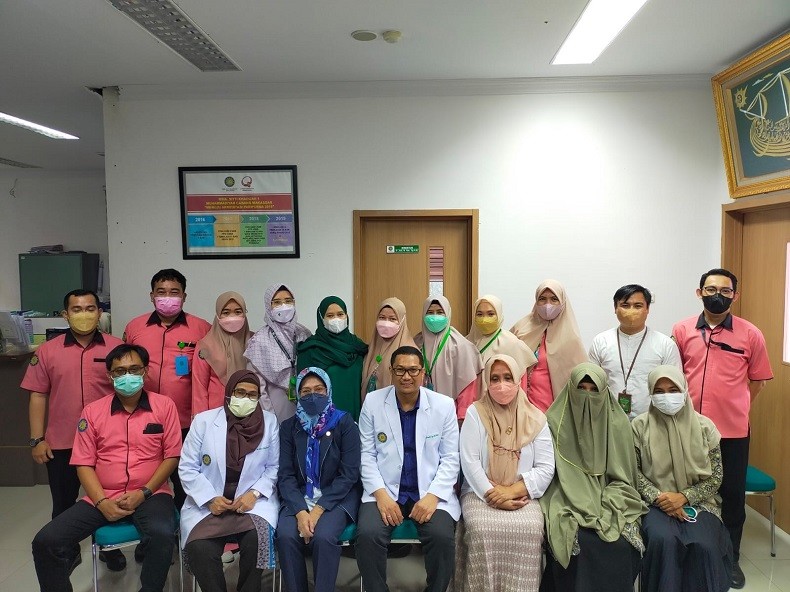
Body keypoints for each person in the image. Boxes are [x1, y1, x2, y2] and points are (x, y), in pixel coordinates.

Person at [31, 344, 182, 592]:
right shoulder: (92, 412)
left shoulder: (164, 406)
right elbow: (83, 463)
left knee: (162, 533)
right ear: (110, 376)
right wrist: (101, 502)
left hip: (151, 493)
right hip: (103, 495)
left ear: (145, 371)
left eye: (134, 369)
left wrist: (143, 493)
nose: (127, 376)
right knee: (46, 541)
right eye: (120, 371)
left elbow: (171, 456)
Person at [672, 268, 773, 589]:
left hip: (732, 431)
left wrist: (735, 405)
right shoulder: (681, 330)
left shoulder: (751, 334)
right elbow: (672, 376)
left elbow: (758, 381)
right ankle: (689, 551)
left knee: (731, 496)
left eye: (725, 291)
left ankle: (730, 558)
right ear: (699, 292)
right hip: (688, 429)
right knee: (686, 490)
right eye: (711, 289)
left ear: (735, 296)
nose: (718, 295)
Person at [21, 289, 125, 570]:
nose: (84, 314)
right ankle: (65, 552)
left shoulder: (116, 348)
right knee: (63, 503)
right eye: (77, 309)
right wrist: (37, 440)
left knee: (106, 498)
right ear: (65, 315)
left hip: (107, 442)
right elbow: (38, 395)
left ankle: (110, 549)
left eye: (90, 308)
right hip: (62, 442)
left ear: (99, 313)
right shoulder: (47, 351)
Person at [356, 345, 460, 592]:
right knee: (368, 535)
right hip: (385, 490)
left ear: (423, 373)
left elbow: (450, 458)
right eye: (400, 370)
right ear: (391, 372)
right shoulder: (373, 402)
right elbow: (366, 455)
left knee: (442, 537)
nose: (406, 376)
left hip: (429, 491)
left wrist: (433, 496)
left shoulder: (443, 405)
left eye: (413, 370)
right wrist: (381, 496)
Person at [539, 363, 646, 592]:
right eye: (581, 388)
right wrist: (578, 500)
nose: (587, 396)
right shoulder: (554, 421)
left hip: (611, 497)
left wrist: (608, 504)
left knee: (622, 545)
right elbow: (549, 475)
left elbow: (625, 479)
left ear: (604, 392)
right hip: (565, 496)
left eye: (593, 390)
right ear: (570, 389)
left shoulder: (618, 424)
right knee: (578, 542)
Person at [455, 354, 555, 592]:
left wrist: (511, 491)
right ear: (487, 382)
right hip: (480, 493)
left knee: (531, 529)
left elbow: (545, 467)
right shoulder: (476, 413)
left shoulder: (537, 419)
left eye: (508, 378)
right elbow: (469, 461)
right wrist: (493, 494)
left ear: (518, 379)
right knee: (480, 529)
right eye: (495, 378)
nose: (502, 385)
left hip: (521, 495)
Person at [633, 365, 732, 592]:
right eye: (659, 391)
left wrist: (685, 497)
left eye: (673, 389)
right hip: (654, 504)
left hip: (701, 503)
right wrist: (661, 498)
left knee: (704, 544)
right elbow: (634, 473)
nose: (666, 396)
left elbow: (716, 477)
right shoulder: (639, 427)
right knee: (663, 541)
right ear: (650, 393)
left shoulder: (705, 427)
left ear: (685, 390)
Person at [179, 369, 280, 592]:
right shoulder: (203, 422)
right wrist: (209, 498)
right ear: (229, 393)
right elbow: (187, 467)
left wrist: (254, 494)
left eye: (252, 395)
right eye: (240, 392)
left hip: (251, 505)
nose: (246, 399)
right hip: (211, 506)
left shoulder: (269, 422)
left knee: (257, 541)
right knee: (200, 549)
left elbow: (273, 467)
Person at [123, 268, 211, 508]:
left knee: (186, 481)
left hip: (186, 420)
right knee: (145, 480)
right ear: (152, 296)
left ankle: (186, 526)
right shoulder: (135, 327)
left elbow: (211, 375)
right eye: (161, 292)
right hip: (143, 417)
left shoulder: (202, 328)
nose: (167, 297)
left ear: (184, 296)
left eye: (174, 292)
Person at [276, 367, 361, 592]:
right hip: (298, 498)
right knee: (285, 536)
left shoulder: (345, 423)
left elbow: (349, 475)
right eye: (305, 391)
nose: (312, 396)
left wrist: (318, 510)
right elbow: (285, 475)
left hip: (336, 498)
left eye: (319, 390)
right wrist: (300, 511)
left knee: (323, 537)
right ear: (297, 394)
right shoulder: (289, 427)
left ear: (328, 390)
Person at [588, 284, 682, 419]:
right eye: (625, 305)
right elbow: (592, 384)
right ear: (615, 308)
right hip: (608, 418)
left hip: (652, 420)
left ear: (647, 309)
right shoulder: (601, 341)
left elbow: (675, 386)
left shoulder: (665, 344)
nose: (631, 311)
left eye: (638, 306)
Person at [511, 280, 588, 413]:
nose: (548, 305)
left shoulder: (571, 338)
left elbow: (580, 379)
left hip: (556, 410)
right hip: (523, 409)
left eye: (554, 299)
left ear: (562, 302)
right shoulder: (521, 329)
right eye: (542, 299)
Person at [245, 283, 311, 423]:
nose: (283, 306)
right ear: (268, 306)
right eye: (277, 302)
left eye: (288, 301)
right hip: (275, 411)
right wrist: (270, 419)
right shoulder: (259, 341)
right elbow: (258, 387)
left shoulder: (304, 334)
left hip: (306, 407)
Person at [296, 296, 369, 420]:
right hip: (323, 421)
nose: (336, 319)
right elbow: (304, 393)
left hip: (357, 416)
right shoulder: (310, 350)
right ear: (321, 318)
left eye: (340, 314)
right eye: (330, 316)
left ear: (346, 316)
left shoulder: (357, 347)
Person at [414, 296, 483, 421]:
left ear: (448, 314)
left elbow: (467, 386)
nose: (435, 317)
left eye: (440, 312)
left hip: (450, 417)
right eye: (430, 312)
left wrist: (462, 417)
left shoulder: (461, 346)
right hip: (419, 414)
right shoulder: (416, 343)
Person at [192, 291, 253, 416]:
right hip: (214, 413)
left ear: (245, 313)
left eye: (238, 312)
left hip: (249, 410)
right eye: (226, 312)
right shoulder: (205, 346)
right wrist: (201, 419)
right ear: (218, 315)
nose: (232, 317)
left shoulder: (255, 342)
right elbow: (199, 388)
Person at [466, 294, 536, 396]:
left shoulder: (512, 343)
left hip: (502, 400)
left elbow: (521, 383)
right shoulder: (466, 343)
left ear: (499, 315)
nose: (484, 319)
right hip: (471, 401)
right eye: (479, 314)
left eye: (490, 314)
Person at [361, 297, 416, 397]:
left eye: (392, 319)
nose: (386, 323)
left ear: (402, 321)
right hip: (371, 404)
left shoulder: (410, 352)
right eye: (382, 317)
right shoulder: (373, 347)